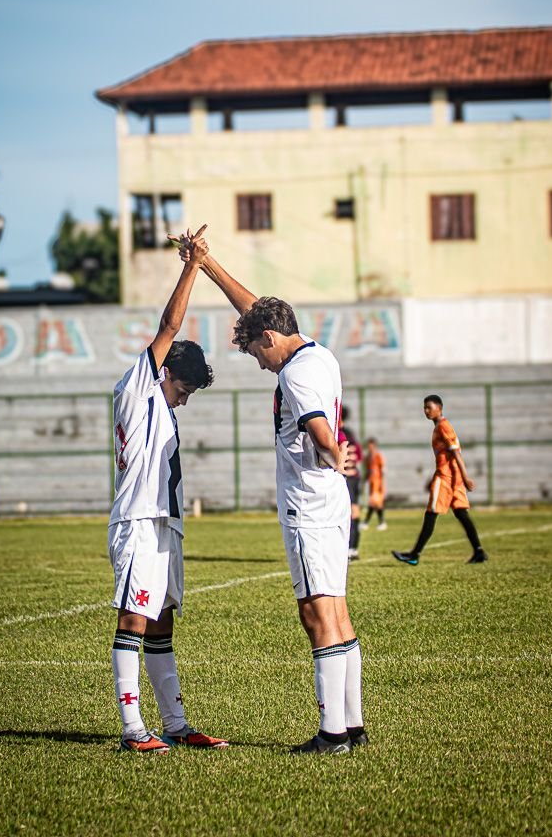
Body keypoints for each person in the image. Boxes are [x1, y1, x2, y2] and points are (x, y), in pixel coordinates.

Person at [177, 234, 366, 755]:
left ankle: (332, 735)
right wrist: (207, 264)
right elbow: (252, 308)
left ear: (268, 338)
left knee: (316, 615)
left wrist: (335, 452)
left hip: (308, 507)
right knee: (339, 614)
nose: (257, 362)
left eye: (253, 350)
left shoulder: (298, 376)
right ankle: (352, 725)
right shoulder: (315, 353)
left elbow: (320, 429)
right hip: (328, 502)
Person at [109, 224, 228, 753]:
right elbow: (170, 323)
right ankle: (134, 729)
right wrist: (193, 266)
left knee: (161, 622)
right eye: (184, 387)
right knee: (135, 615)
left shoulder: (164, 407)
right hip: (138, 520)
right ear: (163, 373)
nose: (186, 397)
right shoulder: (139, 389)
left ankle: (175, 724)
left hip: (165, 524)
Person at [392, 394, 488, 567]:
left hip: (446, 477)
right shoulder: (440, 426)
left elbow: (455, 452)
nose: (426, 411)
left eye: (429, 407)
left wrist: (465, 476)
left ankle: (414, 555)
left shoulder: (443, 426)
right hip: (453, 476)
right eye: (424, 407)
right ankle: (479, 551)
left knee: (431, 514)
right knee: (461, 513)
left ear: (440, 408)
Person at [339, 406, 363, 560]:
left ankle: (347, 548)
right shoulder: (352, 435)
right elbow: (359, 456)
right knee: (354, 512)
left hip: (345, 478)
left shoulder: (339, 434)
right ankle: (353, 548)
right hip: (355, 478)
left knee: (345, 514)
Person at [362, 437, 387, 530]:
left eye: (371, 446)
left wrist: (381, 484)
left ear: (375, 446)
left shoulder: (378, 456)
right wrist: (364, 481)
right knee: (376, 504)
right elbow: (368, 471)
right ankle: (381, 523)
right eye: (368, 447)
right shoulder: (367, 457)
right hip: (371, 483)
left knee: (373, 502)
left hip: (378, 483)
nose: (370, 448)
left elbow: (383, 470)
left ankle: (366, 523)